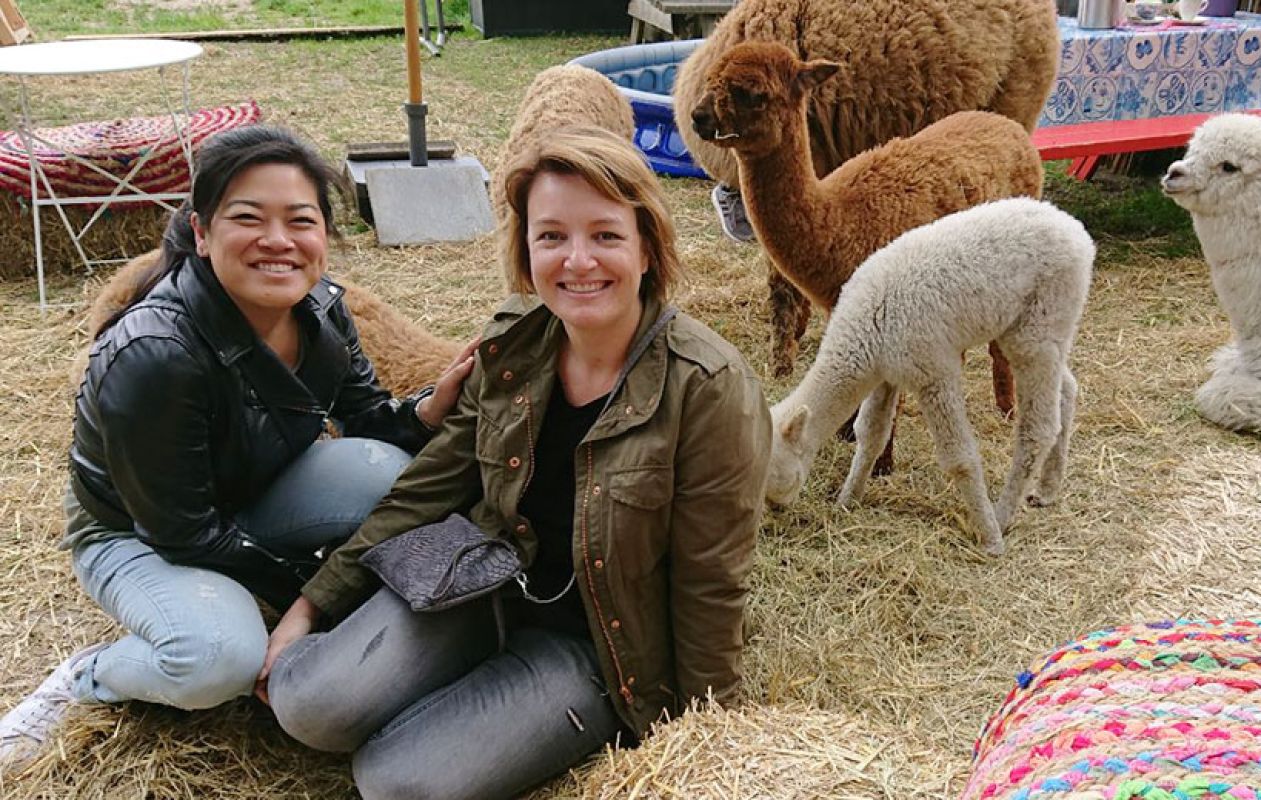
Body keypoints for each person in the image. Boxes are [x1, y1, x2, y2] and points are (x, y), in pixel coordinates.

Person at [265, 126, 771, 799]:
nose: (578, 261)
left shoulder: (707, 387)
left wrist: (708, 742)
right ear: (526, 250)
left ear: (648, 247)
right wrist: (310, 604)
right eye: (552, 236)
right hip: (482, 583)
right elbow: (428, 486)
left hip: (596, 643)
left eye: (605, 235)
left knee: (394, 783)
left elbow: (710, 582)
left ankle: (493, 709)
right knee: (306, 706)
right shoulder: (514, 342)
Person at [0, 125, 474, 766]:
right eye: (248, 218)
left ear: (324, 238)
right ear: (202, 232)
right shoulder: (154, 354)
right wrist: (311, 603)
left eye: (300, 220)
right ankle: (95, 676)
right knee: (217, 662)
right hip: (138, 531)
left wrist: (430, 405)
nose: (278, 242)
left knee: (383, 468)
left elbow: (368, 422)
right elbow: (185, 533)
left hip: (249, 490)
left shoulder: (324, 312)